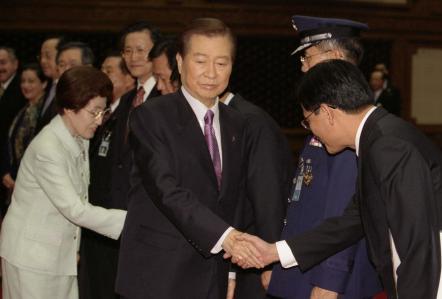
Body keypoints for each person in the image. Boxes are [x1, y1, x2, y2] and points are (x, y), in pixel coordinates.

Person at [236, 59, 442, 299]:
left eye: (307, 121)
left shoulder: (387, 146)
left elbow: (418, 248)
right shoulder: (376, 139)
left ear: (327, 113)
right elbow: (352, 221)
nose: (311, 131)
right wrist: (274, 252)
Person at [115, 17, 260, 299]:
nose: (211, 73)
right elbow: (166, 189)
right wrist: (227, 238)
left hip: (213, 272)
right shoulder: (151, 116)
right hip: (158, 274)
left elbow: (236, 197)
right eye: (201, 61)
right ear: (180, 63)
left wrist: (232, 269)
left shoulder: (238, 124)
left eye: (222, 63)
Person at [266, 15, 381, 299]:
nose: (303, 66)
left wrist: (330, 280)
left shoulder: (349, 119)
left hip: (327, 277)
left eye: (307, 57)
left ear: (336, 57)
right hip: (305, 264)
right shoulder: (326, 108)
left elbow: (345, 213)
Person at [0, 66, 127, 299]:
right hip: (32, 256)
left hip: (57, 252)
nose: (100, 121)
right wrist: (134, 220)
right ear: (70, 108)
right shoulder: (48, 148)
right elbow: (75, 209)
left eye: (103, 111)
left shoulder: (79, 136)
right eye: (94, 112)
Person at [219, 89, 292, 299]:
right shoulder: (222, 117)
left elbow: (268, 194)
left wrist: (269, 263)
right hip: (232, 251)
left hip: (254, 257)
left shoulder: (250, 121)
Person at [77, 52, 135, 299]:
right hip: (96, 210)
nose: (103, 75)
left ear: (127, 80)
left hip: (113, 212)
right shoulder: (107, 112)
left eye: (110, 71)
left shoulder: (128, 111)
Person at [1, 64, 48, 195]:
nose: (25, 86)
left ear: (44, 84)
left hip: (33, 183)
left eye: (31, 81)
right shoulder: (23, 109)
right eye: (23, 81)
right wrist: (6, 173)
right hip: (14, 181)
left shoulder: (44, 113)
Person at [37, 40, 94, 131]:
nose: (66, 70)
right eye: (62, 65)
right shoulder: (57, 94)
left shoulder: (94, 98)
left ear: (88, 68)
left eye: (73, 64)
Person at [0, 46, 26, 216]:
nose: (0, 67)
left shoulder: (23, 89)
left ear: (15, 64)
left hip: (10, 169)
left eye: (3, 62)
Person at [36, 36, 64, 134]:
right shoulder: (48, 86)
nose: (42, 61)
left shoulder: (67, 89)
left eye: (47, 56)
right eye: (41, 56)